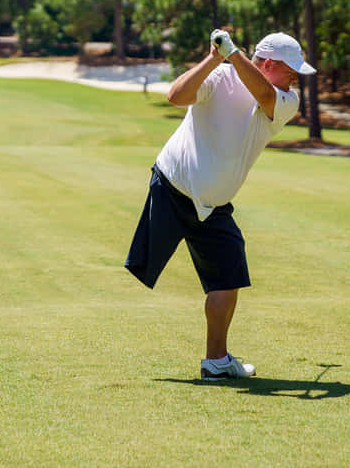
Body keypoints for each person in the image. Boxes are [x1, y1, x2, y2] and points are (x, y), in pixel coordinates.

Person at [124, 28, 315, 380]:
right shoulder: (220, 74)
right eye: (290, 71)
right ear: (270, 64)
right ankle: (217, 359)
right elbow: (176, 96)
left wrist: (232, 52)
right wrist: (214, 58)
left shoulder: (286, 100)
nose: (295, 79)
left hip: (213, 207)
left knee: (228, 278)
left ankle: (216, 360)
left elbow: (261, 92)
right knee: (141, 266)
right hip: (170, 186)